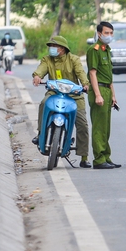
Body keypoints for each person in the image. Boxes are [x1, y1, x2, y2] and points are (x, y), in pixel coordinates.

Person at [32, 36, 92, 168]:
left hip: (74, 95)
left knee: (82, 124)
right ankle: (40, 133)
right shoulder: (47, 59)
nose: (51, 49)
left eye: (55, 46)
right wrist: (37, 76)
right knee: (43, 103)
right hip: (54, 93)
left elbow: (81, 74)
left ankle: (84, 156)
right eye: (50, 46)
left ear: (63, 49)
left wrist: (85, 84)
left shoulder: (74, 59)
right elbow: (41, 69)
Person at [86, 21, 120, 169]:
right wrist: (98, 95)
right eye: (106, 33)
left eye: (111, 33)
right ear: (99, 34)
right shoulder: (94, 50)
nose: (109, 35)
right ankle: (99, 159)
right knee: (99, 127)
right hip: (98, 90)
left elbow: (108, 75)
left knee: (106, 127)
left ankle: (106, 156)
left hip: (106, 89)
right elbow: (93, 74)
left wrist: (113, 95)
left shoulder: (106, 50)